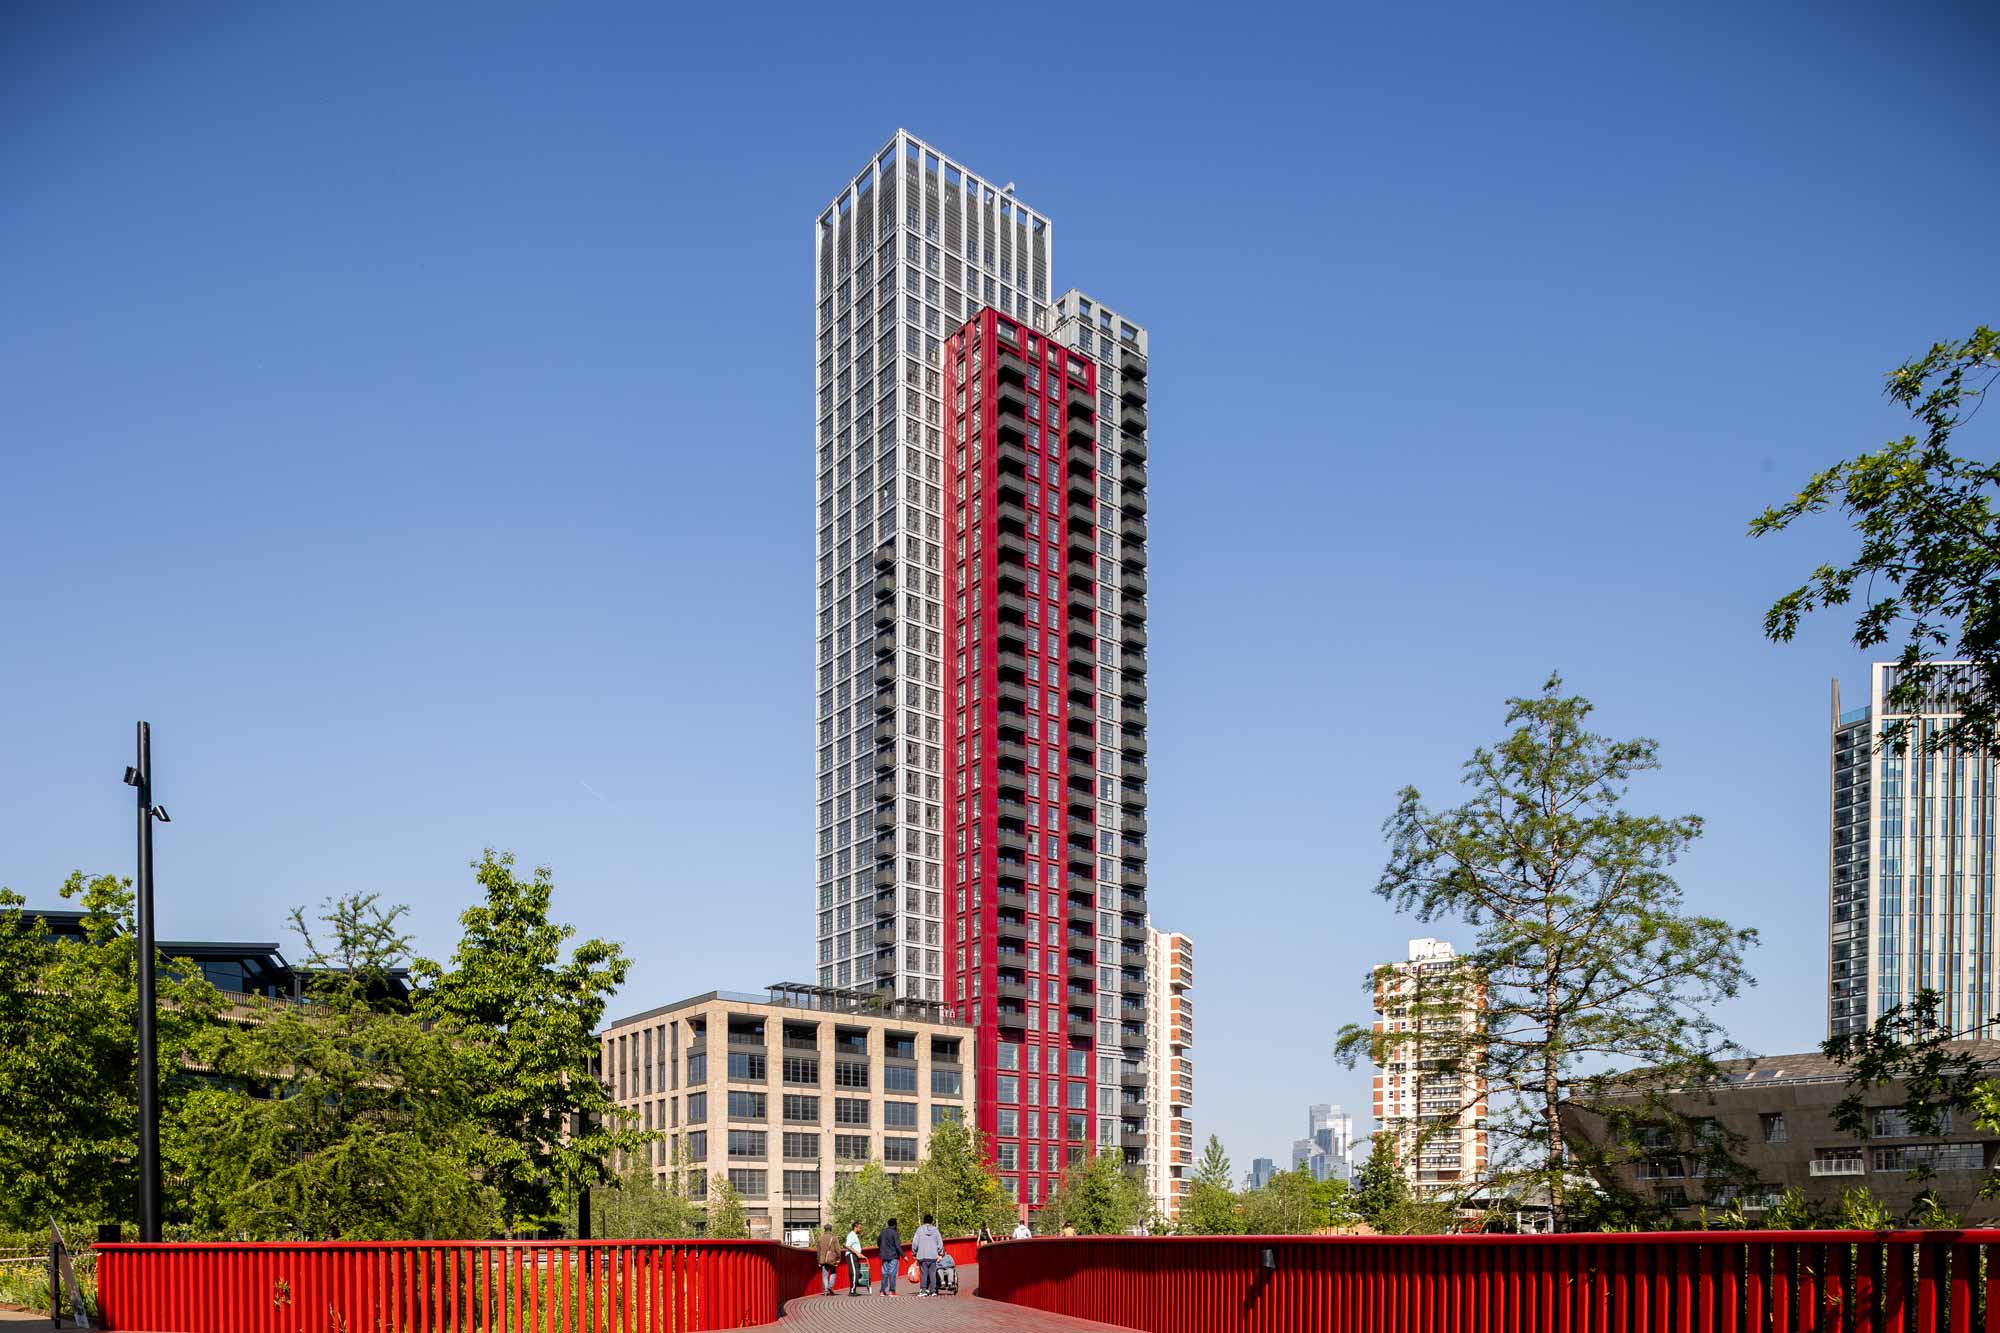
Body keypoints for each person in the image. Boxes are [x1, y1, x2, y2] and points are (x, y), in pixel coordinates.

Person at [912, 1213, 945, 1297]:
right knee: (932, 1273)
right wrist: (940, 1253)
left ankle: (923, 1290)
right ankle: (933, 1291)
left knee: (924, 1273)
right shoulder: (936, 1230)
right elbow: (940, 1242)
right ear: (931, 1221)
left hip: (922, 1255)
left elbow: (915, 1242)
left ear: (924, 1220)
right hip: (933, 1256)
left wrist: (914, 1252)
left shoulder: (919, 1230)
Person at [876, 1217, 903, 1296]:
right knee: (892, 1274)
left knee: (884, 1273)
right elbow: (897, 1246)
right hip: (893, 1256)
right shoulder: (895, 1233)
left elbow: (878, 1243)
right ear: (895, 1225)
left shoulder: (882, 1232)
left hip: (884, 1256)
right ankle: (892, 1291)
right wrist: (904, 1256)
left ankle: (882, 1291)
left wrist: (883, 1250)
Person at [814, 1224, 842, 1295]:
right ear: (831, 1229)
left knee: (824, 1275)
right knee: (833, 1272)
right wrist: (838, 1258)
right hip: (832, 1259)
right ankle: (830, 1286)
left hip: (823, 1260)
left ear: (824, 1229)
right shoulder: (834, 1238)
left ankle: (825, 1291)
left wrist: (818, 1261)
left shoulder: (820, 1238)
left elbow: (818, 1251)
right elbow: (838, 1250)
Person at [843, 1224, 866, 1296]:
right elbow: (847, 1245)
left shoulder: (854, 1235)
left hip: (854, 1256)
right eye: (859, 1228)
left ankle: (853, 1290)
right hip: (851, 1255)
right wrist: (857, 1253)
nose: (860, 1229)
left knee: (854, 1272)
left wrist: (859, 1254)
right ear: (855, 1227)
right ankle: (852, 1291)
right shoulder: (851, 1235)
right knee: (855, 1272)